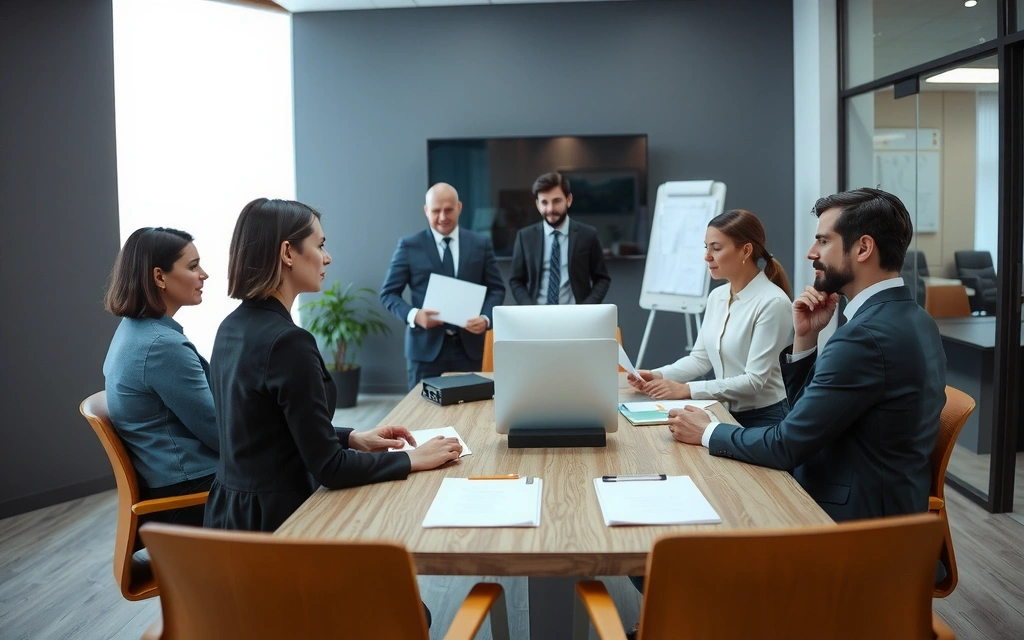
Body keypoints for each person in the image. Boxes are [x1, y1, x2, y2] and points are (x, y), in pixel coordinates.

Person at [668, 188, 946, 522]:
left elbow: (786, 445)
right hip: (885, 510)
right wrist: (805, 338)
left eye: (823, 241)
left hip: (847, 524)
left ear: (863, 248)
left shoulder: (864, 338)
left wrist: (707, 431)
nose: (811, 253)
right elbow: (803, 417)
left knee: (665, 552)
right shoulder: (916, 319)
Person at [204, 198, 462, 535]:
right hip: (280, 527)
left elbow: (265, 430)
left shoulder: (230, 327)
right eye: (320, 245)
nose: (328, 257)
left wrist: (353, 438)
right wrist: (413, 458)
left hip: (228, 519)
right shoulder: (288, 343)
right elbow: (329, 468)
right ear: (287, 253)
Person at [627, 209, 793, 428]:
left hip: (765, 419)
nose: (707, 256)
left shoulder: (773, 303)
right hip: (723, 411)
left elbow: (754, 381)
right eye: (706, 247)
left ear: (745, 250)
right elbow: (700, 359)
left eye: (716, 248)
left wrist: (686, 389)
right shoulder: (718, 296)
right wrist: (657, 375)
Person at [102, 227, 217, 527]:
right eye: (193, 267)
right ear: (159, 277)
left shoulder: (132, 330)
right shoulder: (161, 346)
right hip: (192, 495)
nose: (204, 275)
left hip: (178, 484)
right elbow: (219, 432)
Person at [380, 183, 506, 389]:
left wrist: (485, 319)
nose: (442, 217)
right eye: (436, 211)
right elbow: (388, 294)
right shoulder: (409, 246)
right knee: (421, 412)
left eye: (448, 210)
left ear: (459, 207)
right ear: (426, 210)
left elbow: (496, 288)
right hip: (424, 350)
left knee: (468, 411)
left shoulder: (480, 244)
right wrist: (414, 315)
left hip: (468, 348)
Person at [508, 171, 612, 305]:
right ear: (537, 204)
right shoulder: (525, 237)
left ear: (568, 200)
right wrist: (529, 308)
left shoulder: (588, 235)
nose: (551, 209)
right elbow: (516, 280)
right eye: (544, 202)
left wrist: (587, 307)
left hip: (576, 316)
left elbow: (602, 278)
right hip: (537, 317)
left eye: (556, 201)